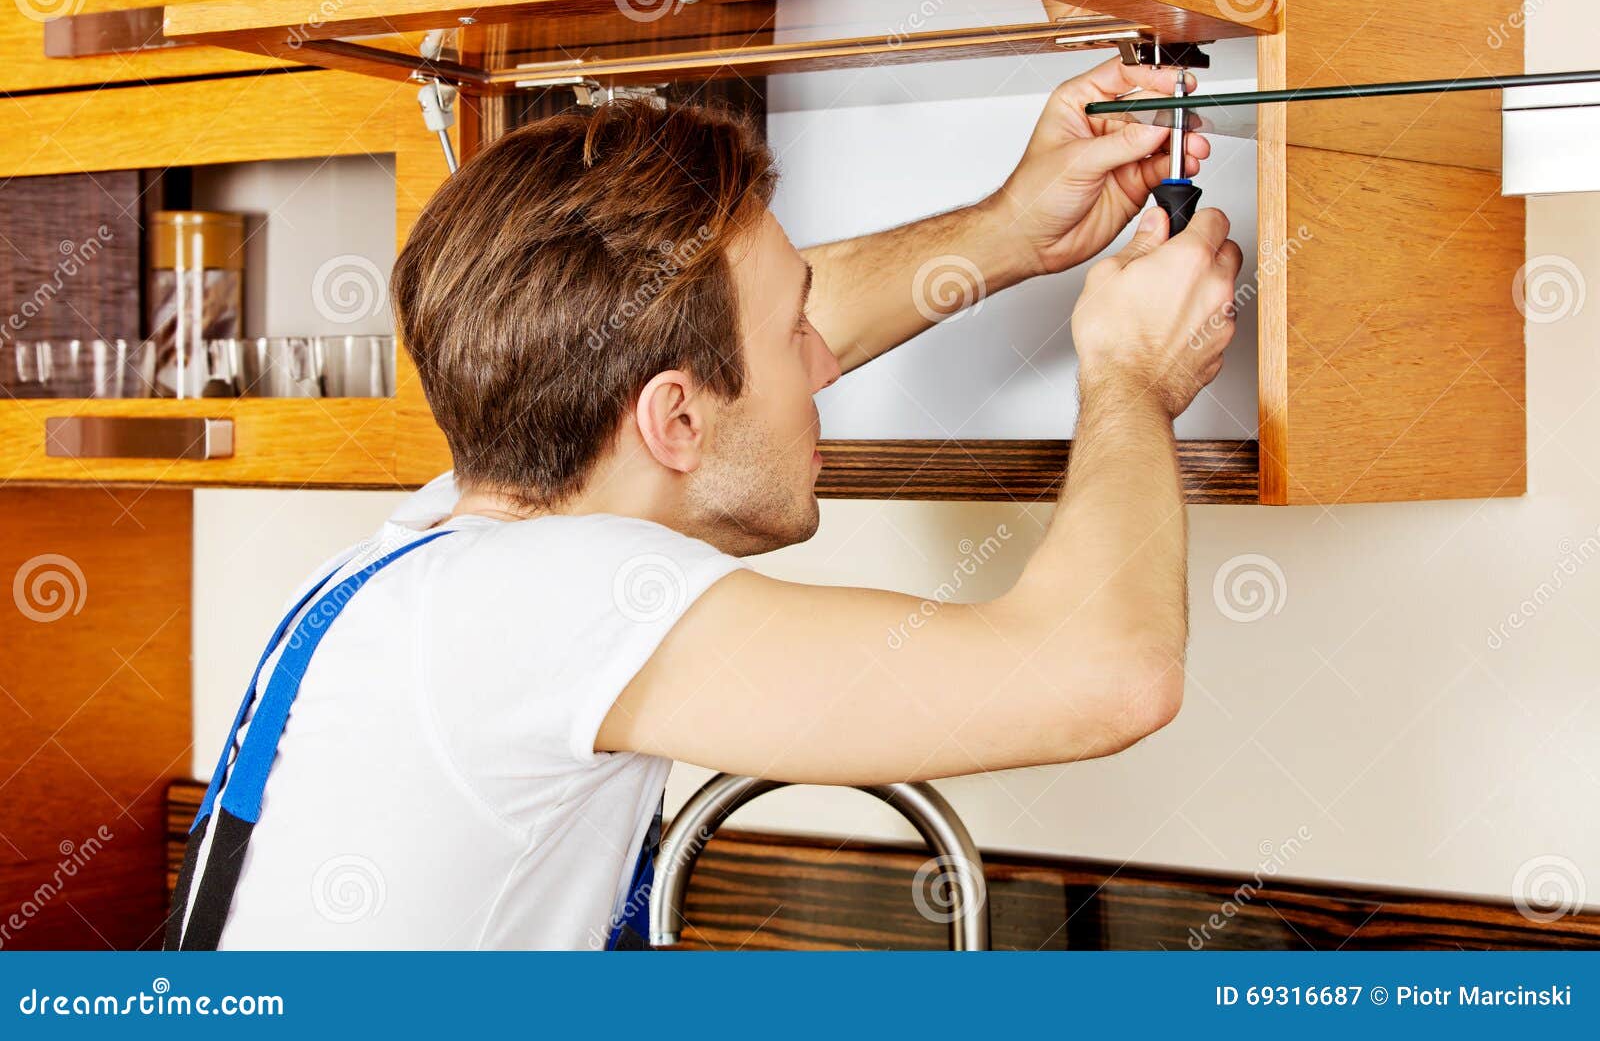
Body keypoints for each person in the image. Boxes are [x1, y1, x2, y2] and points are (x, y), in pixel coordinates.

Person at [168, 59, 1242, 950]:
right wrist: (1131, 376)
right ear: (675, 418)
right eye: (795, 338)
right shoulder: (562, 597)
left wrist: (1010, 230)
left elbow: (687, 338)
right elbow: (1106, 676)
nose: (824, 364)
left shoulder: (453, 546)